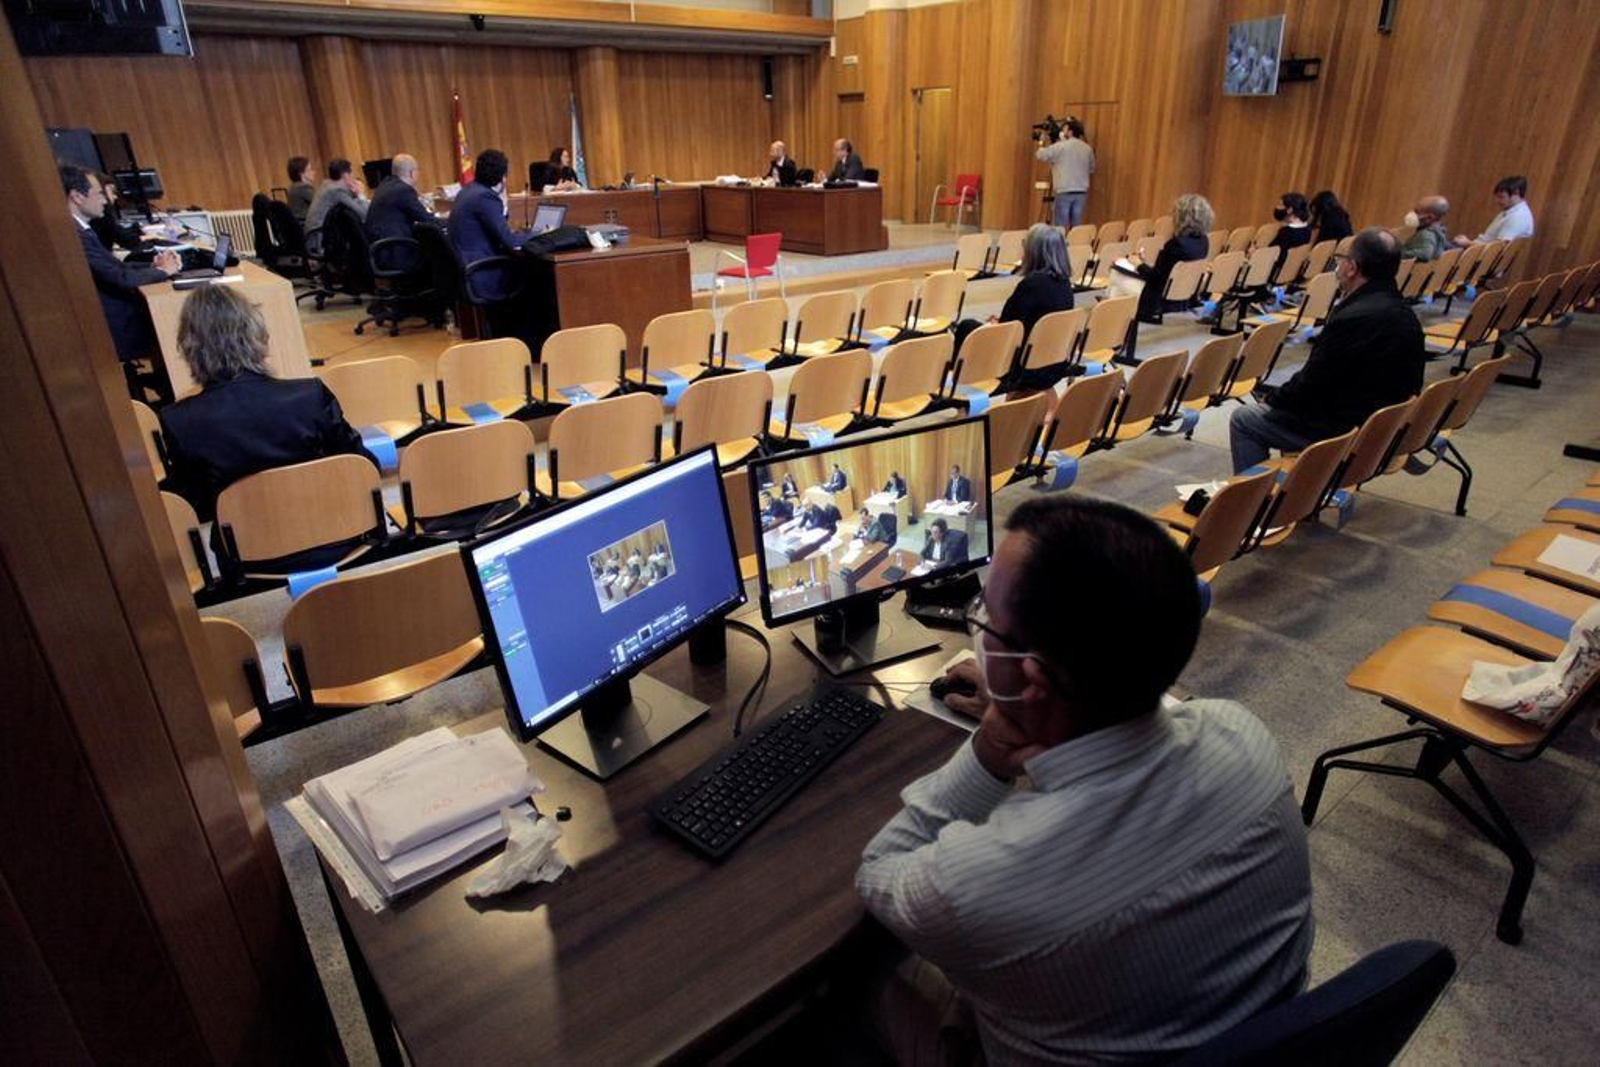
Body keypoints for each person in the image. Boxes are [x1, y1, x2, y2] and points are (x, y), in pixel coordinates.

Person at [857, 496, 1312, 1064]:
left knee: (849, 980)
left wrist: (988, 753)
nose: (979, 628)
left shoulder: (979, 882)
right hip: (1237, 1028)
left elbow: (880, 871)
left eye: (985, 618)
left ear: (1031, 680)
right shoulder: (1245, 736)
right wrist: (1028, 708)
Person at [157, 285, 376, 524]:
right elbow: (364, 465)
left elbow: (196, 506)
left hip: (246, 543)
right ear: (258, 335)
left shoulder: (179, 420)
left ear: (188, 348)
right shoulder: (309, 395)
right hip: (332, 529)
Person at [1229, 227, 1424, 473]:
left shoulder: (1353, 317)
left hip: (1343, 431)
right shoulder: (1406, 314)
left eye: (1341, 259)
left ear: (1352, 267)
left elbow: (1313, 382)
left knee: (1244, 419)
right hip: (1384, 427)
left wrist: (1275, 399)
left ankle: (1255, 493)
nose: (1338, 266)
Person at [63, 164, 180, 368]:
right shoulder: (73, 235)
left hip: (118, 314)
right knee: (179, 319)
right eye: (100, 193)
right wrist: (162, 271)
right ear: (77, 197)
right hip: (117, 324)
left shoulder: (82, 230)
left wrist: (154, 265)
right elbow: (120, 278)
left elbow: (117, 267)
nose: (105, 200)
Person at [952, 224, 1074, 361]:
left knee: (966, 326)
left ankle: (956, 372)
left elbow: (1009, 329)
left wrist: (996, 324)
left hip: (1020, 358)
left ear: (1033, 252)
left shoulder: (1032, 285)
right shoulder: (1065, 283)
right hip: (1051, 356)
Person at [1131, 193, 1211, 324]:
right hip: (1183, 295)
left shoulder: (1176, 244)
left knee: (1118, 271)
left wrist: (1138, 264)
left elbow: (1156, 278)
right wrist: (1144, 263)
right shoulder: (1204, 241)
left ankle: (1115, 321)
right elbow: (1168, 271)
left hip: (1159, 298)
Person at [448, 149, 528, 266]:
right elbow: (510, 241)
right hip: (482, 267)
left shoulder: (467, 190)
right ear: (502, 177)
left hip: (464, 264)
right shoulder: (485, 197)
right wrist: (541, 234)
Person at [1036, 116, 1095, 228]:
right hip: (1081, 192)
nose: (1062, 132)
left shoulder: (1060, 146)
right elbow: (1091, 169)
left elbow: (1040, 155)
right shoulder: (1087, 149)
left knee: (1060, 226)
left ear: (1070, 132)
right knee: (1076, 227)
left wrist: (1041, 142)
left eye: (1064, 129)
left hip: (1064, 191)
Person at [365, 154, 432, 242]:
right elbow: (426, 219)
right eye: (418, 170)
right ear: (412, 173)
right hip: (395, 245)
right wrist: (448, 221)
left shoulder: (385, 184)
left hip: (380, 242)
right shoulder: (403, 190)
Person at [1454, 175, 1534, 248]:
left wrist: (1467, 243)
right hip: (1475, 249)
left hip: (1476, 255)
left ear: (1516, 193)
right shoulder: (1511, 211)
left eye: (1501, 197)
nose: (1497, 201)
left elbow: (1496, 249)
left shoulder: (1518, 217)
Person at [305, 158, 368, 233]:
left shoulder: (327, 185)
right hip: (319, 235)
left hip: (318, 233)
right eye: (351, 173)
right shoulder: (336, 190)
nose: (353, 177)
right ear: (345, 175)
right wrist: (360, 194)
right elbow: (364, 214)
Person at [1268, 191, 1313, 270]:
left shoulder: (1286, 232)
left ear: (1290, 210)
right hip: (1293, 270)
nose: (1277, 207)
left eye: (1280, 205)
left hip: (1277, 271)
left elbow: (1273, 254)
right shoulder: (1307, 229)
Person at [1401, 196, 1452, 262]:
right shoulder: (1439, 231)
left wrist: (1397, 254)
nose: (1412, 214)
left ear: (1430, 217)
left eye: (1416, 212)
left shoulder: (1427, 234)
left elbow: (1425, 254)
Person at [286, 155, 316, 225]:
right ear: (301, 174)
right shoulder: (303, 187)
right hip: (307, 226)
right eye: (310, 169)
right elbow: (321, 203)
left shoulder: (293, 187)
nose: (314, 172)